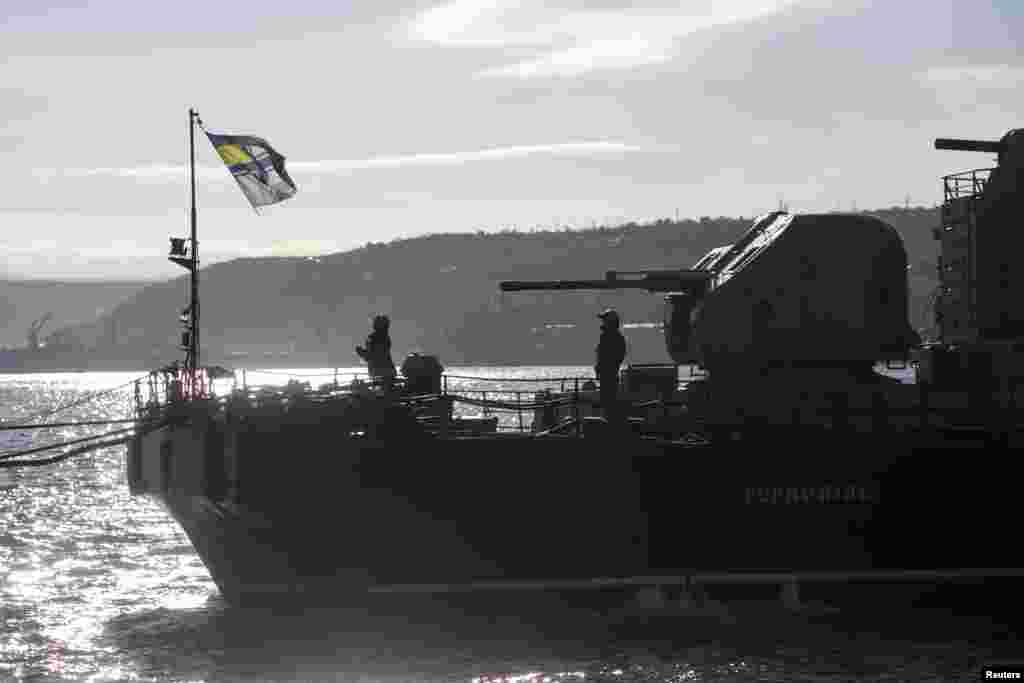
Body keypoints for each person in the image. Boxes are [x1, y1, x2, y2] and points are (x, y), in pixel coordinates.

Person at [595, 309, 627, 422]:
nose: (602, 322)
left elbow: (606, 357)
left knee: (608, 403)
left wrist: (601, 368)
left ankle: (609, 423)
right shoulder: (615, 337)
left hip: (608, 376)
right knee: (608, 403)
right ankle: (609, 421)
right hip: (609, 375)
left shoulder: (609, 337)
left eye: (604, 320)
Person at [355, 314, 396, 390]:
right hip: (388, 371)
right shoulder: (386, 337)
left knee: (381, 393)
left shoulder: (374, 338)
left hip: (379, 372)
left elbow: (372, 356)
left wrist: (360, 351)